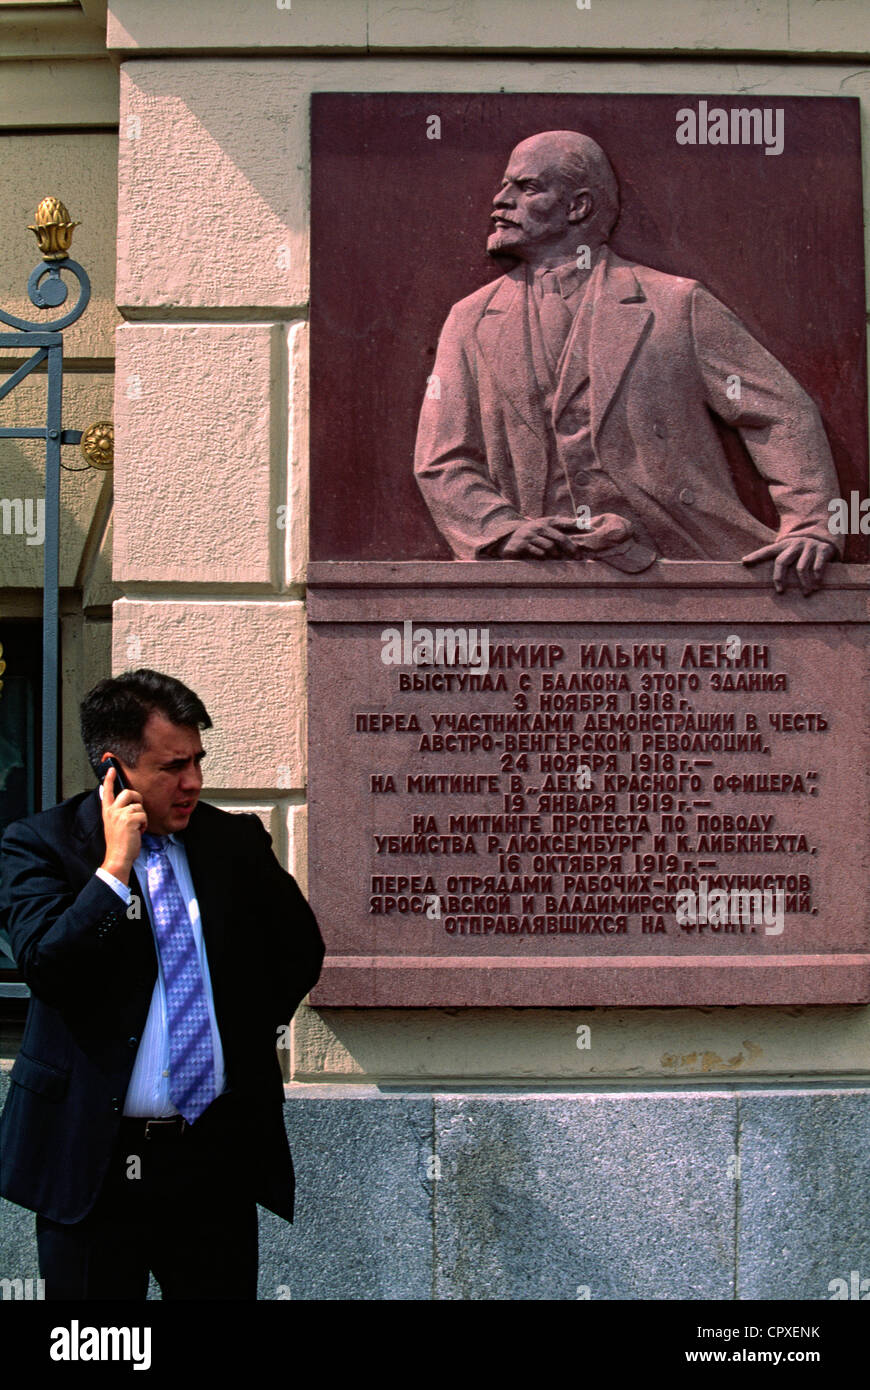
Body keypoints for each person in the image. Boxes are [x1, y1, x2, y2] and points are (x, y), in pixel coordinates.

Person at [0, 668, 324, 1300]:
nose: (194, 783)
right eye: (174, 767)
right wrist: (113, 873)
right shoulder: (40, 846)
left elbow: (298, 949)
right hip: (92, 1160)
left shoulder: (232, 842)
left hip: (210, 1159)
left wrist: (236, 1033)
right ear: (114, 770)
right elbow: (46, 966)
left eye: (198, 761)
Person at [414, 130, 842, 594]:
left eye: (527, 187)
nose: (500, 201)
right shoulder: (471, 318)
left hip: (692, 559)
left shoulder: (675, 304)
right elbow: (443, 457)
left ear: (578, 206)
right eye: (504, 185)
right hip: (539, 575)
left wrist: (811, 524)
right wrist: (500, 527)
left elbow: (779, 412)